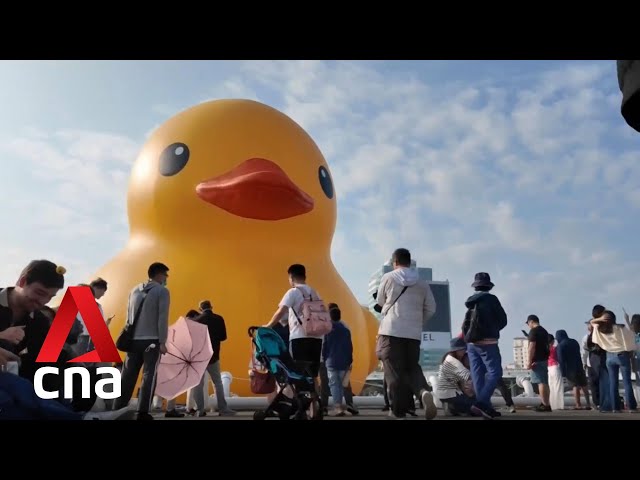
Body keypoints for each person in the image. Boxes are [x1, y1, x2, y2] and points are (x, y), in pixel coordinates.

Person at [375, 248, 437, 420]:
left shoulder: (388, 278)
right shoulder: (422, 283)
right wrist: (418, 321)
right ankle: (423, 391)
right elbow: (431, 308)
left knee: (394, 371)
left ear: (395, 262)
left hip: (391, 331)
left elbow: (380, 301)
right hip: (413, 333)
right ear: (409, 262)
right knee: (412, 368)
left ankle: (397, 411)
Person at [265, 263, 325, 418]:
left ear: (291, 277)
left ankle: (301, 410)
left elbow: (281, 311)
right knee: (312, 376)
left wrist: (268, 326)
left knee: (298, 374)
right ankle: (315, 409)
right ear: (305, 276)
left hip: (300, 338)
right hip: (317, 338)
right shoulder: (315, 292)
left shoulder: (293, 292)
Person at [113, 262, 170, 421]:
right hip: (151, 340)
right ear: (159, 275)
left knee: (127, 376)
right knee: (149, 376)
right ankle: (142, 412)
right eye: (166, 275)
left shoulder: (134, 290)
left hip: (132, 340)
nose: (166, 279)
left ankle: (118, 407)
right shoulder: (162, 291)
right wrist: (163, 341)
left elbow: (128, 317)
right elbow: (162, 317)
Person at [462, 272, 508, 418]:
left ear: (476, 287)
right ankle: (481, 404)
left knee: (477, 376)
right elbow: (503, 320)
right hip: (488, 342)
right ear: (489, 286)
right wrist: (493, 330)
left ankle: (486, 408)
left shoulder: (471, 301)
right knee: (495, 372)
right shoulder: (492, 299)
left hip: (471, 343)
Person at [190, 300, 236, 417]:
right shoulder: (219, 318)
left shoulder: (196, 321)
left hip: (199, 357)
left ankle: (200, 410)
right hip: (214, 356)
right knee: (218, 383)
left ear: (200, 309)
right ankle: (223, 409)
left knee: (198, 384)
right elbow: (223, 337)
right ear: (211, 307)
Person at [321, 306, 353, 416]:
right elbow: (349, 347)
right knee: (341, 384)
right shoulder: (346, 330)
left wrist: (325, 359)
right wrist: (350, 361)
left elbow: (325, 346)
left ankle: (338, 407)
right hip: (344, 361)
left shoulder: (327, 330)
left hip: (331, 362)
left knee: (334, 385)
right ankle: (343, 406)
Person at [556, 329, 591, 410]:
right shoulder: (574, 341)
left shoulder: (560, 346)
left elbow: (561, 360)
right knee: (584, 386)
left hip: (570, 369)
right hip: (579, 366)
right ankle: (588, 404)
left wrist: (563, 372)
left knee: (575, 386)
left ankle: (578, 405)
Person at [526, 315, 551, 412]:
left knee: (541, 382)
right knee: (544, 382)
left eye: (528, 323)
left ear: (531, 321)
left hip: (537, 360)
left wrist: (529, 361)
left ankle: (545, 405)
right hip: (544, 359)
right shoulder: (544, 331)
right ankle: (545, 403)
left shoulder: (533, 331)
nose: (528, 325)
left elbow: (531, 347)